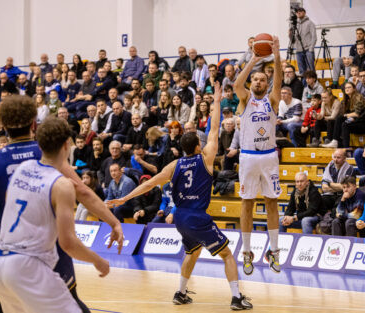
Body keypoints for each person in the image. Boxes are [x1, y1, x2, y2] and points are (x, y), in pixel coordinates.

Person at [107, 82, 253, 310]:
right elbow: (215, 129)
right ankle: (236, 298)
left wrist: (124, 199)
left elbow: (150, 184)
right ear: (197, 146)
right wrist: (215, 100)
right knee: (226, 254)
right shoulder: (205, 158)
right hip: (197, 216)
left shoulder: (174, 165)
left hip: (180, 218)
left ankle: (180, 292)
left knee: (192, 252)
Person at [0, 99, 122, 313]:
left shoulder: (12, 164)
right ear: (33, 124)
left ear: (2, 124)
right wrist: (112, 224)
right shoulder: (45, 156)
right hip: (42, 251)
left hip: (5, 251)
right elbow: (81, 193)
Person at [234, 36, 283, 274]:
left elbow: (280, 79)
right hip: (248, 157)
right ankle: (246, 252)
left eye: (262, 79)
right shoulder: (245, 99)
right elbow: (236, 85)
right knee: (247, 203)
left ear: (266, 83)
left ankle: (274, 252)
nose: (258, 81)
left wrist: (277, 53)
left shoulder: (273, 99)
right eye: (255, 78)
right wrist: (254, 58)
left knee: (271, 202)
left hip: (269, 157)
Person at [322, 82, 365, 148]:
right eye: (346, 88)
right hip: (355, 120)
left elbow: (357, 114)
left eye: (349, 87)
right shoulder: (346, 99)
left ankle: (346, 148)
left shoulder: (358, 97)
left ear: (354, 89)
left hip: (364, 122)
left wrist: (346, 115)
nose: (347, 89)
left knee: (345, 124)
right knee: (337, 119)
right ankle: (334, 141)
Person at [291, 7, 317, 74]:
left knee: (310, 70)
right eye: (297, 12)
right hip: (298, 51)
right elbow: (293, 40)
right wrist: (290, 34)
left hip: (308, 50)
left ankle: (312, 83)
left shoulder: (310, 23)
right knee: (301, 71)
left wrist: (311, 49)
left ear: (304, 12)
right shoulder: (295, 24)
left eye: (300, 11)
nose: (298, 12)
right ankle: (303, 84)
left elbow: (314, 37)